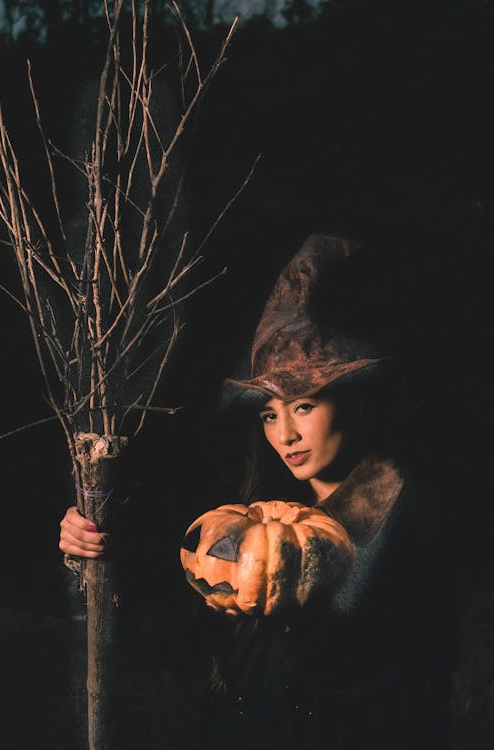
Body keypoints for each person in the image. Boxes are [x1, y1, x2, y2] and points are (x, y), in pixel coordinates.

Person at [59, 234, 459, 749]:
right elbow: (168, 642)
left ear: (354, 402)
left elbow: (422, 678)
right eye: (270, 413)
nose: (284, 434)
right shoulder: (250, 512)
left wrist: (293, 619)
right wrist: (94, 557)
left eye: (305, 406)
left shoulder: (411, 512)